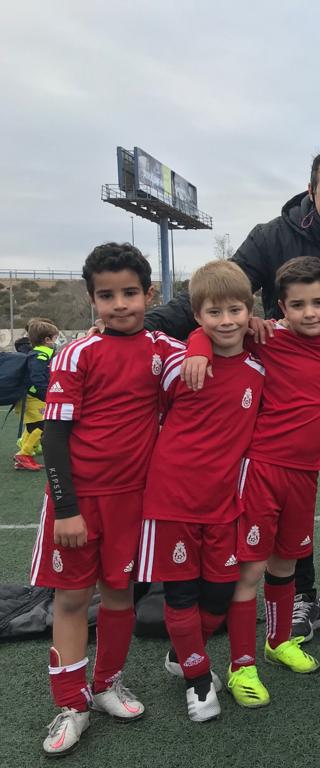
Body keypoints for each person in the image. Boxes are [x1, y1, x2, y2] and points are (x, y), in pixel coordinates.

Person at [145, 146, 320, 641]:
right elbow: (222, 295)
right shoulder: (272, 237)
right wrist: (158, 330)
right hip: (287, 403)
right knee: (289, 502)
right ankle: (301, 598)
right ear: (310, 192)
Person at [29, 243, 185, 756]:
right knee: (73, 599)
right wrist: (66, 507)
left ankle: (105, 685)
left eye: (130, 293)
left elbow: (210, 351)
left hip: (132, 503)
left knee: (120, 595)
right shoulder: (77, 353)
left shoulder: (163, 349)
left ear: (149, 293)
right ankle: (71, 703)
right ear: (92, 299)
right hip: (77, 501)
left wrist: (246, 327)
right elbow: (53, 436)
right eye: (106, 295)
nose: (119, 305)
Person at [183, 256, 320, 702]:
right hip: (261, 471)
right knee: (250, 571)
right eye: (298, 305)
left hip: (306, 475)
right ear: (281, 308)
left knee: (285, 566)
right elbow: (214, 329)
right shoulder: (267, 338)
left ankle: (277, 644)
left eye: (318, 303)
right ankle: (241, 666)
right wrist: (198, 344)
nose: (309, 313)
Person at [136, 260, 266, 722]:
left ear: (249, 312)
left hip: (225, 503)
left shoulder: (258, 367)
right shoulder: (179, 362)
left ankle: (181, 653)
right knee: (181, 596)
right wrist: (196, 346)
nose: (225, 321)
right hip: (173, 500)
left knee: (218, 595)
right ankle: (196, 679)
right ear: (197, 316)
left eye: (235, 310)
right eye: (213, 313)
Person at [13, 317, 59, 471]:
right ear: (46, 340)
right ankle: (24, 453)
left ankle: (23, 454)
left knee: (33, 425)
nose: (56, 342)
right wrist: (46, 394)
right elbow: (37, 378)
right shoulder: (40, 355)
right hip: (34, 397)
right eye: (55, 338)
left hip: (32, 396)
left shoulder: (41, 353)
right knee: (42, 425)